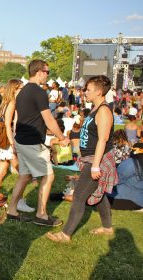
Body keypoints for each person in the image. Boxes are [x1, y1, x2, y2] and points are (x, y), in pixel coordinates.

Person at [47, 75, 117, 242]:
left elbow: (103, 139)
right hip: (90, 158)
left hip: (96, 160)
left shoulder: (104, 111)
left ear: (99, 92)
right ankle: (107, 228)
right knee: (97, 194)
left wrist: (95, 166)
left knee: (79, 196)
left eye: (88, 89)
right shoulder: (95, 108)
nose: (85, 92)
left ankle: (65, 234)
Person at [7, 59, 69, 226]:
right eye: (47, 72)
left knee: (24, 176)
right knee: (48, 176)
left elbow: (31, 118)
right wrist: (62, 138)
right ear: (39, 71)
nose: (48, 76)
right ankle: (41, 215)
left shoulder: (23, 91)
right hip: (31, 142)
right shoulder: (39, 92)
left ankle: (11, 210)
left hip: (21, 139)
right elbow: (48, 119)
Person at [0, 79, 35, 213]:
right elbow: (7, 124)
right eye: (20, 88)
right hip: (8, 141)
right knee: (24, 173)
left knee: (2, 171)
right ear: (14, 89)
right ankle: (19, 201)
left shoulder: (5, 103)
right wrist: (12, 143)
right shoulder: (11, 103)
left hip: (2, 140)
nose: (22, 91)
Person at [108, 143, 143, 210]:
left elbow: (116, 180)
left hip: (126, 199)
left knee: (98, 195)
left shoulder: (131, 162)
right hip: (140, 201)